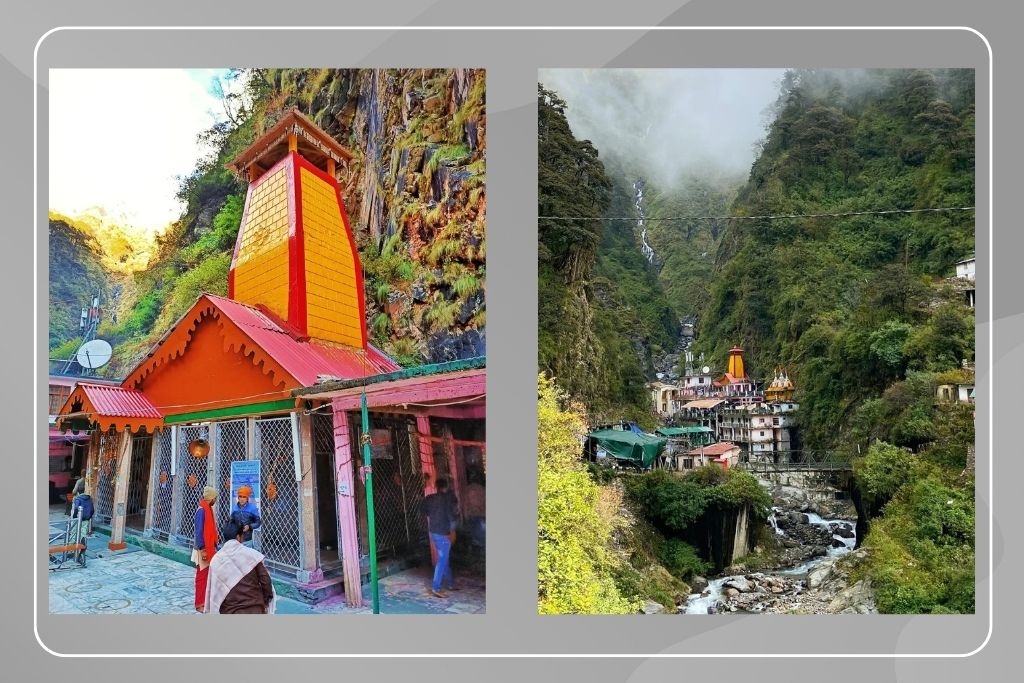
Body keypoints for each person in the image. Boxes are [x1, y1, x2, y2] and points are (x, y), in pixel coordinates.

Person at [204, 519, 276, 614]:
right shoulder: (253, 555)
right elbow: (266, 582)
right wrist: (265, 602)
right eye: (243, 536)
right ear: (238, 537)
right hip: (255, 609)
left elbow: (213, 593)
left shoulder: (216, 561)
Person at [421, 477, 459, 598]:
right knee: (443, 559)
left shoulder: (429, 498)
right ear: (446, 487)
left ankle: (451, 584)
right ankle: (436, 587)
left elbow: (423, 510)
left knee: (444, 558)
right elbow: (452, 517)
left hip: (433, 532)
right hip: (442, 533)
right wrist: (453, 531)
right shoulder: (447, 499)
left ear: (436, 486)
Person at [192, 486, 220, 613]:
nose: (215, 500)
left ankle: (206, 600)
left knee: (208, 576)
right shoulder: (202, 511)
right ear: (211, 498)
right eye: (215, 498)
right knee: (201, 576)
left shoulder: (207, 509)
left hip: (209, 548)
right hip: (203, 549)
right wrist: (203, 549)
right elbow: (199, 532)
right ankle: (199, 604)